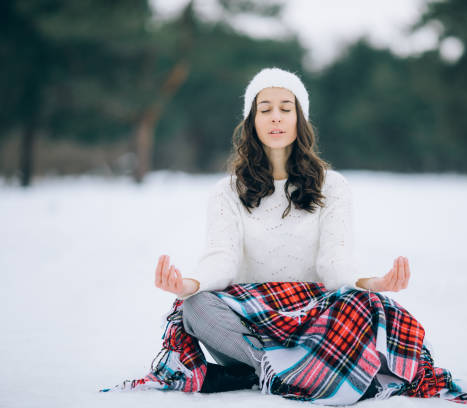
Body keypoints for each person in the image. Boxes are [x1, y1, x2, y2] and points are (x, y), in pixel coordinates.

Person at [153, 67, 411, 394]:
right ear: (252, 121)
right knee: (195, 306)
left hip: (315, 320)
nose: (276, 117)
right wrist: (188, 283)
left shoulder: (333, 186)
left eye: (286, 109)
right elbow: (222, 259)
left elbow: (334, 262)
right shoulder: (227, 191)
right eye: (265, 110)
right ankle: (286, 372)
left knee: (360, 304)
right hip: (251, 319)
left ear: (300, 118)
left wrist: (373, 283)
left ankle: (267, 374)